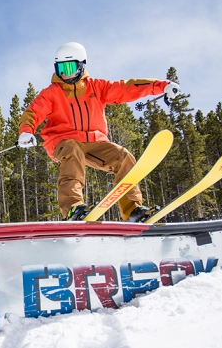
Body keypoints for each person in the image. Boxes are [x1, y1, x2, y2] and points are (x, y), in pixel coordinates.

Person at [17, 42, 180, 222]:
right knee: (72, 150)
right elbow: (32, 112)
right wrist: (26, 131)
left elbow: (126, 87)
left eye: (69, 67)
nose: (64, 73)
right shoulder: (52, 93)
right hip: (63, 142)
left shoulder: (97, 87)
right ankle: (73, 208)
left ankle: (132, 210)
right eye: (60, 68)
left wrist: (162, 86)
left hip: (95, 142)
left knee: (123, 156)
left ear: (81, 66)